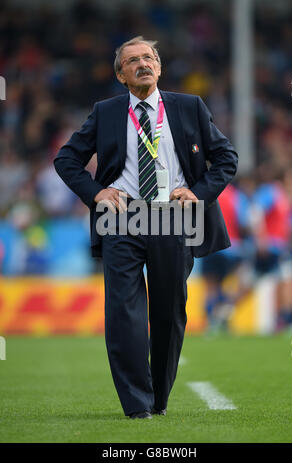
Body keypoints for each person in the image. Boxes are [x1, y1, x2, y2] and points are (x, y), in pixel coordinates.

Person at [54, 36, 238, 419]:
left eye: (149, 58)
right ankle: (136, 406)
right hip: (120, 216)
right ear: (121, 75)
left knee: (169, 313)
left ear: (160, 66)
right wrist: (95, 193)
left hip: (172, 216)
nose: (143, 64)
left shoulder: (189, 107)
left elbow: (226, 157)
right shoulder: (105, 112)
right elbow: (67, 158)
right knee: (123, 310)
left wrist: (198, 193)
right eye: (133, 60)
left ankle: (158, 398)